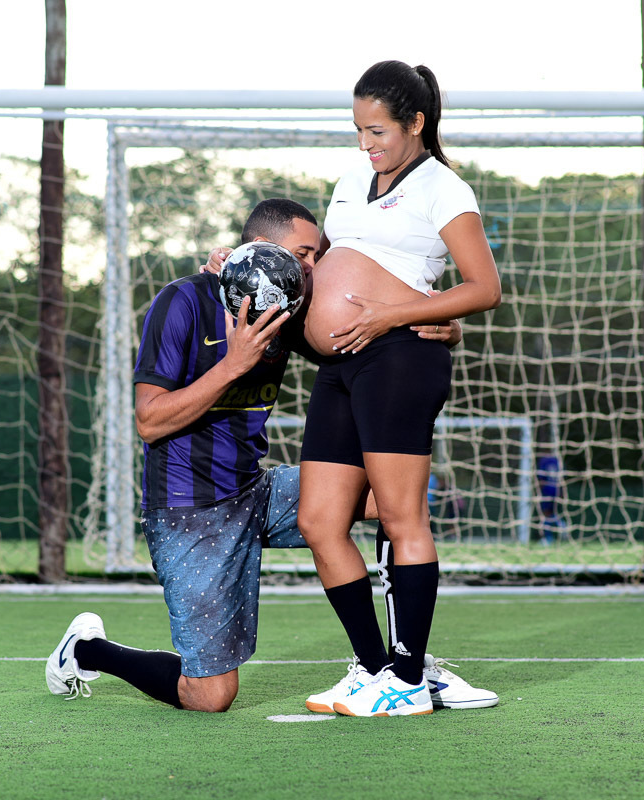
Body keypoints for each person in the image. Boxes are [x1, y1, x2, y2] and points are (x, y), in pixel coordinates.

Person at [45, 199, 492, 712]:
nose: (314, 267)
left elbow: (348, 343)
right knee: (209, 696)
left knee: (391, 500)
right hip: (190, 512)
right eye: (305, 253)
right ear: (260, 247)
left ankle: (399, 666)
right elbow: (150, 421)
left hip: (255, 490)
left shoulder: (287, 310)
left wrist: (442, 325)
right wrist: (233, 365)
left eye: (319, 255)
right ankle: (87, 649)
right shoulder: (183, 302)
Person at [296, 61, 503, 717]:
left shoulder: (444, 189)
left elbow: (483, 287)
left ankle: (409, 678)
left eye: (378, 130)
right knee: (321, 520)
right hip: (341, 364)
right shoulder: (352, 178)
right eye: (359, 130)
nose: (366, 143)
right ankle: (372, 667)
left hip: (398, 356)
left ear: (415, 123)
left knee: (399, 515)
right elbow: (329, 261)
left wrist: (399, 314)